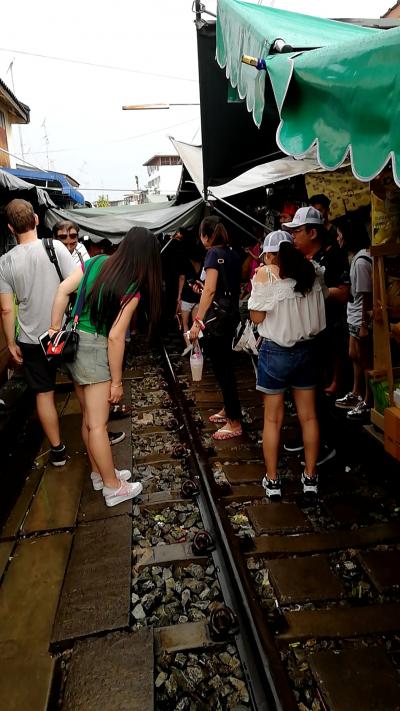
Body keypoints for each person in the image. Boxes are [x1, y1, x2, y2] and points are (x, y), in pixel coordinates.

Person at [50, 226, 162, 507]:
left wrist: (54, 329)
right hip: (96, 349)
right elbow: (115, 337)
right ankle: (113, 488)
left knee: (88, 418)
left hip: (74, 346)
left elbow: (63, 290)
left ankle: (100, 474)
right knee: (99, 425)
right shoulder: (132, 289)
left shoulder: (95, 262)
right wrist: (116, 381)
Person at [249, 230, 326, 498]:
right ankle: (310, 478)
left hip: (276, 353)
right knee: (309, 416)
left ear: (271, 255)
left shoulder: (266, 275)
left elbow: (257, 318)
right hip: (306, 351)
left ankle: (272, 481)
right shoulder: (313, 271)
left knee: (272, 419)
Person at [0, 199, 75, 465]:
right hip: (63, 335)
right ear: (36, 219)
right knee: (82, 384)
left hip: (31, 341)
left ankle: (57, 451)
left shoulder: (5, 263)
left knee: (43, 393)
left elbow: (7, 310)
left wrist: (10, 343)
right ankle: (95, 431)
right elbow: (76, 281)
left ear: (10, 228)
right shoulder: (54, 247)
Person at [282, 206, 350, 464]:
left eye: (297, 231)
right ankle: (307, 435)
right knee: (303, 391)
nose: (294, 237)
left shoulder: (333, 256)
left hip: (326, 332)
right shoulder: (300, 260)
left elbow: (344, 293)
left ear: (312, 232)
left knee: (318, 393)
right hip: (305, 336)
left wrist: (318, 289)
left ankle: (325, 444)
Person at [189, 216, 242, 440]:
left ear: (206, 236)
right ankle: (227, 410)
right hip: (230, 315)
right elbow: (223, 288)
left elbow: (210, 291)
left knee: (223, 369)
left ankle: (235, 422)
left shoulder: (212, 253)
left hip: (217, 320)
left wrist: (197, 321)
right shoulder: (233, 253)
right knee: (225, 366)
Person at [334, 217, 372, 420]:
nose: (338, 238)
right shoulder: (358, 258)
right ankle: (357, 393)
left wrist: (364, 324)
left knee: (364, 360)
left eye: (340, 234)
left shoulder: (361, 261)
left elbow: (366, 295)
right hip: (354, 316)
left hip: (360, 318)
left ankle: (367, 400)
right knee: (354, 355)